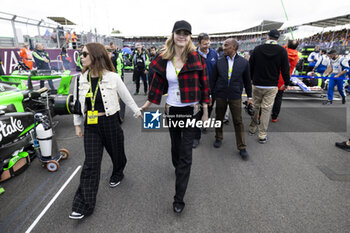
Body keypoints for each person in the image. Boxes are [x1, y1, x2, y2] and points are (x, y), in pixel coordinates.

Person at [141, 20, 209, 214]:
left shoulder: (197, 59)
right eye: (178, 32)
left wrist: (204, 112)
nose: (182, 36)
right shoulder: (164, 58)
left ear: (190, 37)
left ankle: (179, 198)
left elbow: (205, 87)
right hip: (172, 110)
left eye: (186, 33)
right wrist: (146, 106)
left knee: (186, 154)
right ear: (173, 35)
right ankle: (177, 165)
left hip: (191, 110)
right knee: (176, 147)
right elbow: (155, 84)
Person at [69, 43, 142, 220]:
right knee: (91, 164)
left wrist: (137, 111)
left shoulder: (113, 77)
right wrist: (78, 125)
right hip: (91, 125)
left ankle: (118, 171)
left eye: (85, 53)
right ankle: (83, 204)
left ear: (95, 55)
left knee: (117, 154)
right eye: (81, 54)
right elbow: (79, 106)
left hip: (110, 121)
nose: (81, 57)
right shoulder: (81, 79)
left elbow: (126, 96)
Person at [211, 38, 252, 160]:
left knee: (238, 121)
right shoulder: (219, 62)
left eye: (226, 45)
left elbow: (247, 81)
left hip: (235, 96)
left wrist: (249, 97)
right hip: (221, 95)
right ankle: (218, 138)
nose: (223, 47)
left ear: (233, 47)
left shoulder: (244, 63)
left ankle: (242, 146)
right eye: (223, 45)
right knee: (219, 117)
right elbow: (212, 80)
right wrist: (209, 94)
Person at [248, 29, 290, 144]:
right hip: (271, 85)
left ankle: (252, 128)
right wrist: (287, 83)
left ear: (268, 37)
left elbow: (250, 66)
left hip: (257, 83)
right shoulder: (282, 51)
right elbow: (285, 69)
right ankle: (262, 135)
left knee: (256, 106)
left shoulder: (258, 49)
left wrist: (250, 80)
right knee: (266, 109)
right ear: (278, 38)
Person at [193, 32, 218, 148]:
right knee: (197, 113)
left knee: (208, 108)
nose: (207, 46)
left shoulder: (214, 54)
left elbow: (217, 72)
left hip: (211, 88)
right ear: (198, 44)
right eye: (204, 44)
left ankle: (205, 122)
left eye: (208, 43)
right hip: (197, 88)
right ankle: (196, 137)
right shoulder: (193, 55)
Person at [271, 40, 299, 122]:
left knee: (266, 97)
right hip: (284, 79)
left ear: (287, 44)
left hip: (273, 77)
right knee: (278, 99)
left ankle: (260, 115)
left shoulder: (281, 51)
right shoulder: (296, 56)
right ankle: (274, 117)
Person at [106, 45, 126, 123]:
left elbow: (119, 68)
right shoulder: (101, 60)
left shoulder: (117, 56)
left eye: (109, 52)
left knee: (120, 96)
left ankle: (121, 116)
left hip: (116, 79)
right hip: (107, 80)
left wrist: (118, 79)